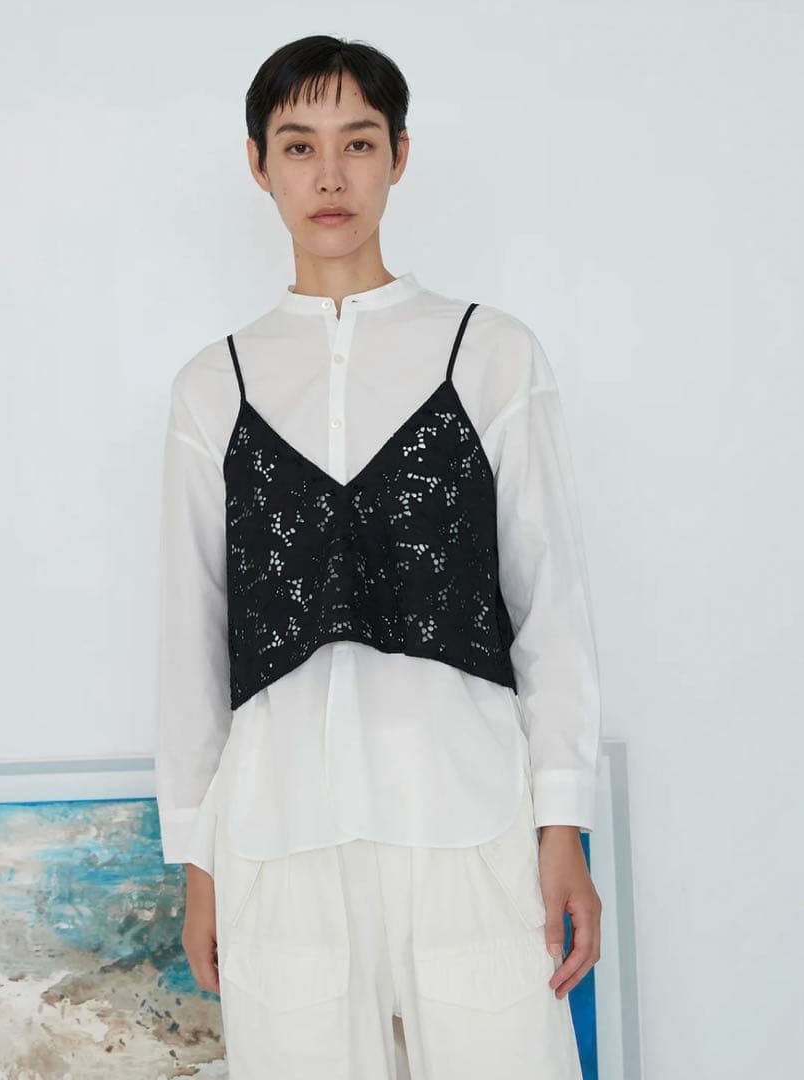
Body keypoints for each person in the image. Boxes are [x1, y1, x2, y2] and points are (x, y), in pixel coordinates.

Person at [155, 33, 602, 1080]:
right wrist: (198, 861)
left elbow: (552, 605)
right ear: (257, 165)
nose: (329, 175)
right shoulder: (211, 386)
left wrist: (561, 826)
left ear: (398, 156)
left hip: (468, 823)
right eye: (298, 145)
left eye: (356, 143)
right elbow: (191, 636)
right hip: (277, 839)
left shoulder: (491, 354)